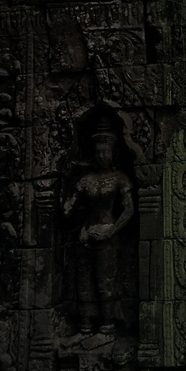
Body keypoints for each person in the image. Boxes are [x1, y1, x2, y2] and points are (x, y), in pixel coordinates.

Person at [63, 120, 134, 337]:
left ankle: (107, 325)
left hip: (108, 235)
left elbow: (129, 210)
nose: (102, 156)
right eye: (98, 152)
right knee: (83, 282)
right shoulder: (86, 180)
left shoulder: (120, 178)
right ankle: (85, 325)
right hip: (86, 235)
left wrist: (110, 231)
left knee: (105, 282)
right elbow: (68, 210)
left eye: (106, 152)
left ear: (113, 152)